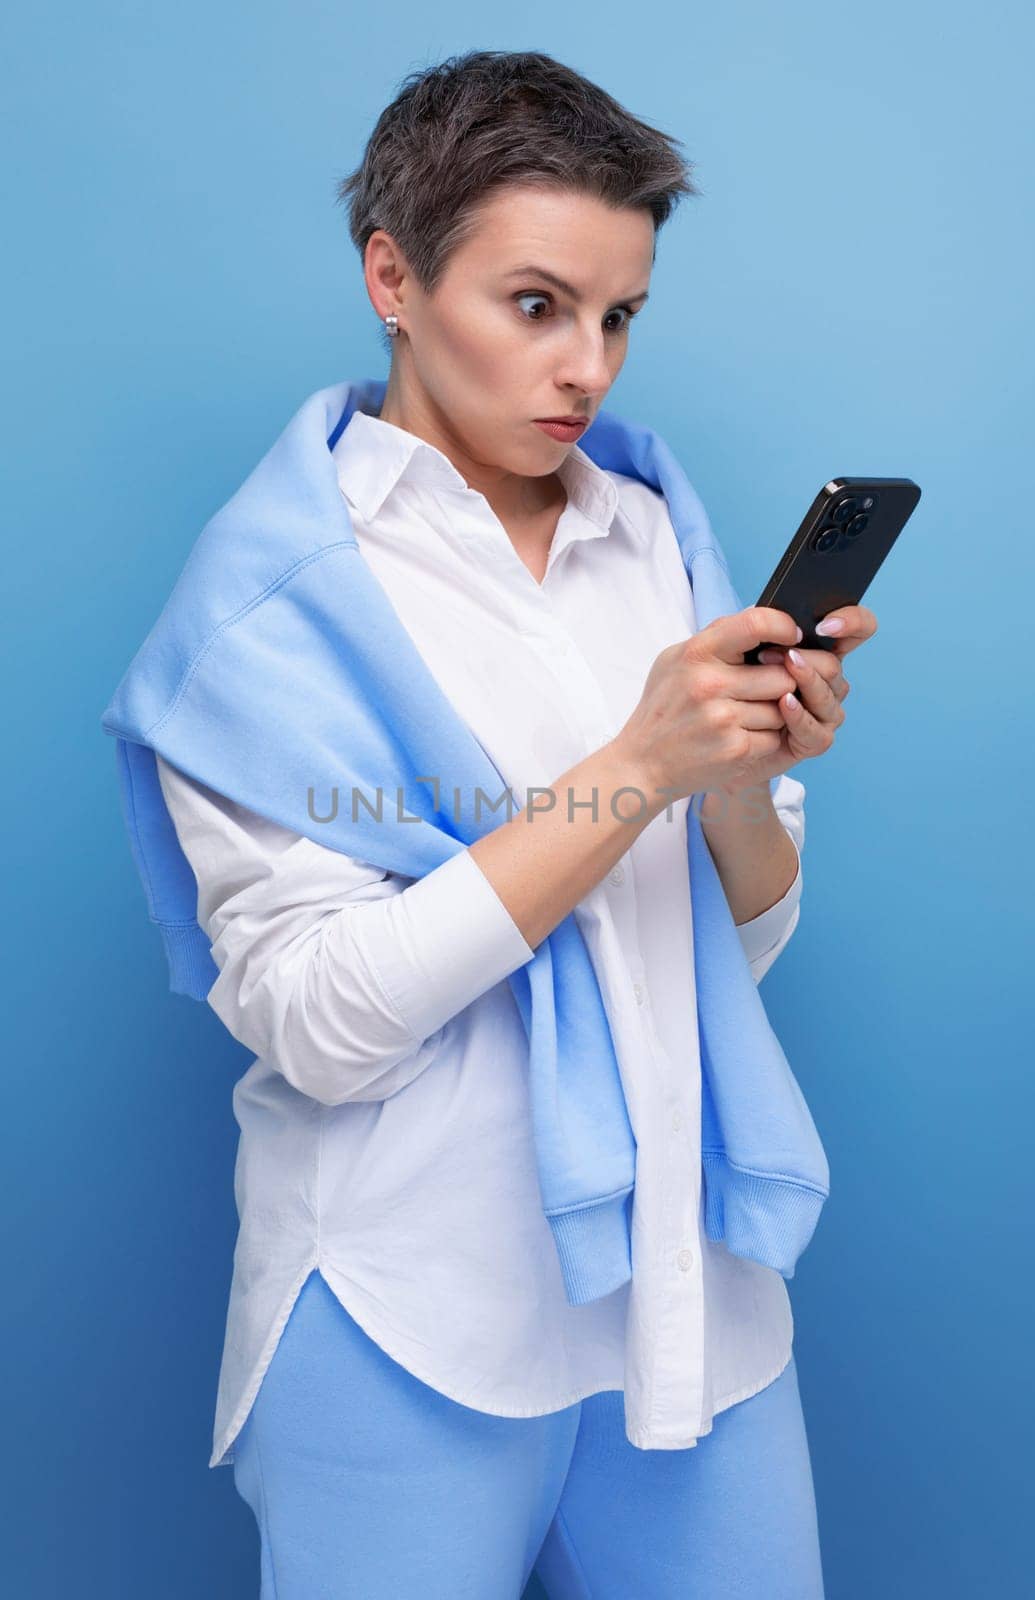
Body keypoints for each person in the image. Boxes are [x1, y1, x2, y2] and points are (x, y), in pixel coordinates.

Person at [151, 46, 871, 1599]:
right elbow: (315, 1020)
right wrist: (638, 764)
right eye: (537, 305)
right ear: (393, 277)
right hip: (410, 1310)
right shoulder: (269, 604)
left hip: (688, 1304)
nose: (588, 370)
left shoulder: (650, 531)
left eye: (619, 317)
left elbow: (733, 930)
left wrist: (736, 774)